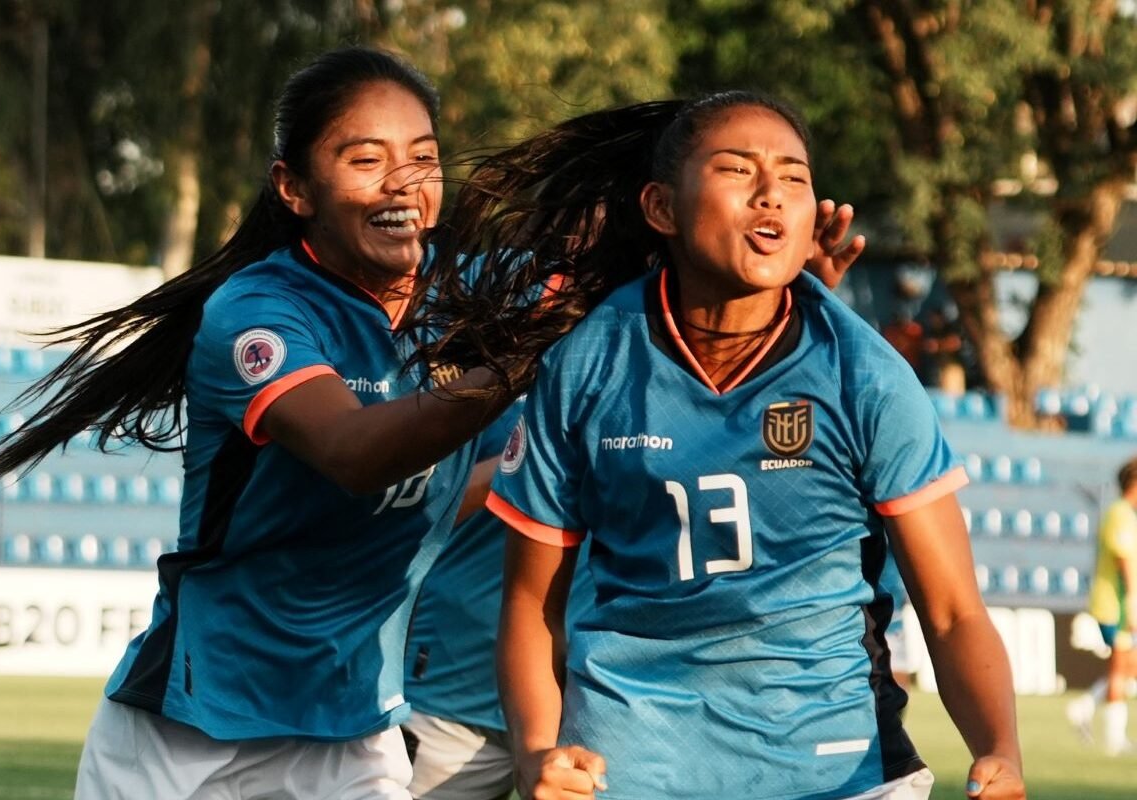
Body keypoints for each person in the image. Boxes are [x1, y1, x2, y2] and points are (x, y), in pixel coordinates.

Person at [409, 91, 1025, 799]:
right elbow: (531, 607)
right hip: (632, 766)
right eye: (739, 170)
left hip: (837, 770)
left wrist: (1000, 750)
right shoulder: (587, 363)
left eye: (794, 178)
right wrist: (537, 753)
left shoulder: (866, 375)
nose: (772, 196)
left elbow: (952, 612)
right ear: (662, 208)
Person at [0, 47, 522, 800]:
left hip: (355, 726)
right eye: (367, 158)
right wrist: (521, 366)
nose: (404, 182)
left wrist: (531, 466)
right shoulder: (260, 310)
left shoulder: (462, 306)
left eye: (424, 158)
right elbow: (355, 456)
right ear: (293, 188)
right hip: (196, 726)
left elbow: (420, 491)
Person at [401, 207, 865, 800]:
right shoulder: (497, 322)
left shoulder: (659, 349)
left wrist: (792, 298)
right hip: (455, 692)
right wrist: (541, 462)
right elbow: (420, 498)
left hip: (594, 708)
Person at [1066, 457, 1137, 756]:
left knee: (1127, 666)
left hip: (1119, 602)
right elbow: (1125, 562)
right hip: (1116, 604)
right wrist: (1133, 604)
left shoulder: (1125, 514)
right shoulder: (1120, 514)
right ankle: (1114, 740)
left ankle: (1083, 706)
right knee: (1122, 667)